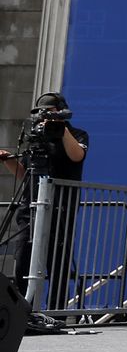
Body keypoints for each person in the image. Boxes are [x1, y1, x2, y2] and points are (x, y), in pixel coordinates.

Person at [0, 92, 88, 307]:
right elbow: (25, 174)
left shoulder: (77, 134)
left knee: (57, 262)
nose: (45, 116)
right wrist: (6, 160)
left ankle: (56, 311)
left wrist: (61, 129)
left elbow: (77, 156)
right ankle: (20, 313)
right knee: (22, 262)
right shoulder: (35, 136)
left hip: (61, 208)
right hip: (30, 207)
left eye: (51, 112)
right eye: (42, 113)